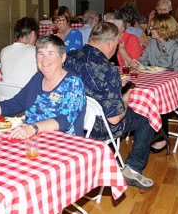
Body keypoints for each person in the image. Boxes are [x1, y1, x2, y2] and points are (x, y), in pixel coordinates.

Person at [64, 23, 155, 190]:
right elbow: (114, 119)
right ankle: (133, 168)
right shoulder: (107, 69)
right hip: (96, 126)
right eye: (118, 44)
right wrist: (125, 99)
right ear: (109, 44)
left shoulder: (69, 57)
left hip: (69, 120)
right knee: (149, 115)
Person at [0, 35, 86, 139]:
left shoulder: (73, 83)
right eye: (40, 54)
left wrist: (32, 128)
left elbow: (64, 121)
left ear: (63, 57)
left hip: (64, 143)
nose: (44, 59)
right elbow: (15, 103)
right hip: (33, 138)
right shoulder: (38, 78)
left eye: (50, 53)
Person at [131, 14, 178, 153]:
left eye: (153, 27)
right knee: (139, 95)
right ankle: (145, 132)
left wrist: (160, 72)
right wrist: (137, 63)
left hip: (175, 87)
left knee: (157, 98)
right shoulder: (153, 42)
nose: (150, 29)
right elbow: (144, 60)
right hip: (154, 82)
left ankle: (161, 138)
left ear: (163, 29)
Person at [0, 17, 39, 85]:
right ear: (32, 34)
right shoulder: (36, 51)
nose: (36, 39)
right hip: (28, 93)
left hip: (7, 93)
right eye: (36, 36)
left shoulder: (4, 51)